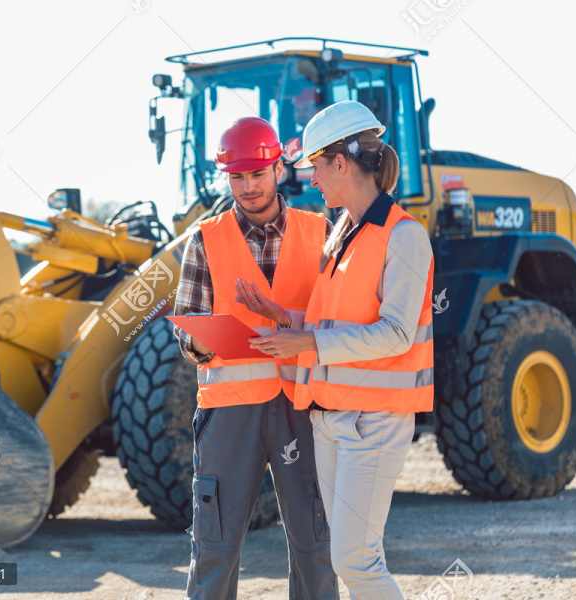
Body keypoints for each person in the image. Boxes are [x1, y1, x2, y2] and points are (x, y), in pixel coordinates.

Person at [238, 100, 434, 600]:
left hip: (374, 420)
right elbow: (334, 323)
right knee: (348, 557)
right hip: (329, 418)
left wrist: (306, 341)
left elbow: (395, 334)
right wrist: (285, 317)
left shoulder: (405, 237)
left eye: (316, 168)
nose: (312, 181)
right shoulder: (341, 235)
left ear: (341, 163)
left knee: (355, 560)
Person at [173, 116, 339, 600]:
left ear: (278, 170)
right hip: (229, 412)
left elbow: (338, 321)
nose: (247, 187)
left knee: (315, 545)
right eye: (237, 177)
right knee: (215, 547)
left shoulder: (323, 233)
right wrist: (205, 341)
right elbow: (189, 333)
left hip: (306, 406)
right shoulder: (205, 238)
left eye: (257, 174)